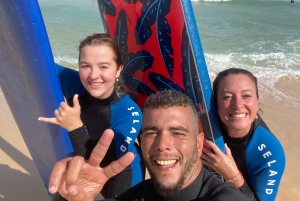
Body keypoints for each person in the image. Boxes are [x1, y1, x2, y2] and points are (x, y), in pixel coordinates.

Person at [48, 90, 252, 201]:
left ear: (199, 144)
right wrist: (69, 198)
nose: (162, 144)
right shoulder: (143, 193)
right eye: (151, 133)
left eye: (178, 133)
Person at [38, 33, 144, 198]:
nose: (93, 75)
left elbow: (104, 160)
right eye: (85, 66)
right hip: (84, 166)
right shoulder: (74, 82)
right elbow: (38, 62)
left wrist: (75, 127)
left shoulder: (129, 113)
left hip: (122, 172)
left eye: (103, 67)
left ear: (118, 70)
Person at [201, 68, 285, 201]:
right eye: (227, 97)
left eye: (246, 96)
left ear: (257, 102)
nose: (238, 105)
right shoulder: (201, 129)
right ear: (215, 104)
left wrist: (232, 175)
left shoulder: (271, 152)